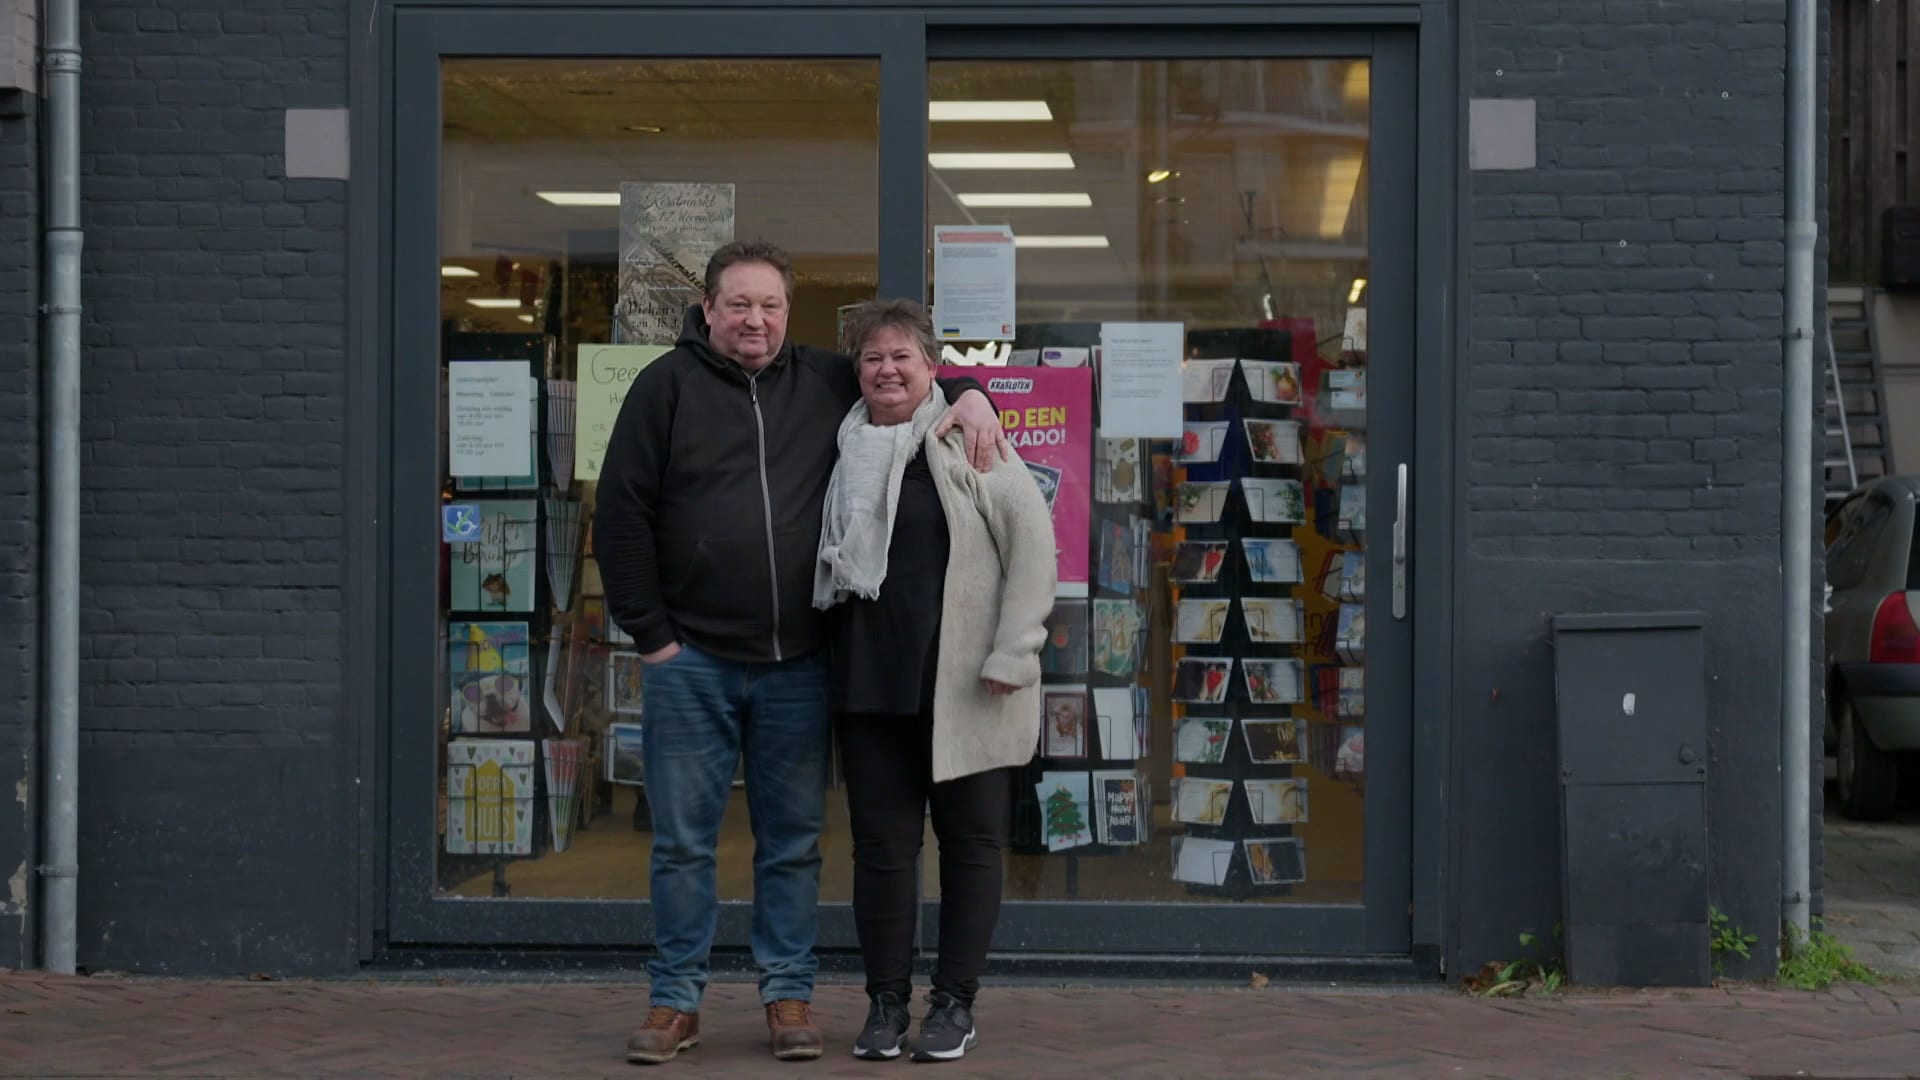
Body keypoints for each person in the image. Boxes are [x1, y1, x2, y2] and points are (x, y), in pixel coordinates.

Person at [593, 242, 1007, 1066]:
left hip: (797, 665)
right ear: (707, 310)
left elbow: (908, 376)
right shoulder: (661, 389)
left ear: (790, 313)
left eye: (771, 305)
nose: (756, 320)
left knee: (792, 843)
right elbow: (621, 514)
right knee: (682, 844)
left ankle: (788, 997)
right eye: (739, 304)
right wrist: (654, 638)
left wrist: (974, 394)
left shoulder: (824, 380)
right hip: (693, 662)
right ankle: (676, 1002)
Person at [813, 299, 1056, 1063]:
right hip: (868, 683)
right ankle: (886, 1003)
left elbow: (1033, 548)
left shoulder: (967, 439)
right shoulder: (841, 442)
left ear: (931, 368)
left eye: (902, 357)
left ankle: (954, 1003)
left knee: (971, 845)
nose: (887, 370)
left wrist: (1016, 653)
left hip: (968, 685)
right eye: (873, 358)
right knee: (882, 851)